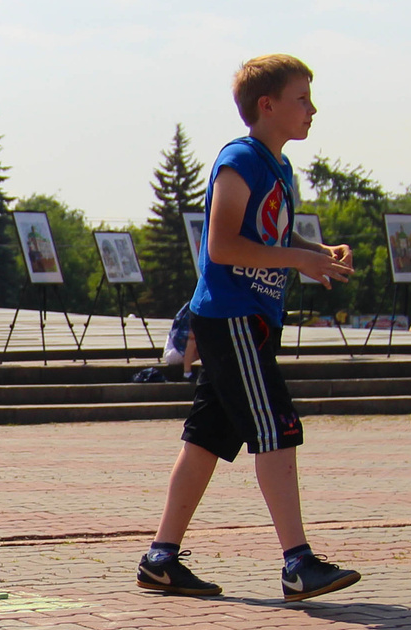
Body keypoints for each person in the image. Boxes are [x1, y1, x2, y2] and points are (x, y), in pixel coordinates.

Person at [136, 55, 360, 602]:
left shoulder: (277, 167)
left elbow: (270, 235)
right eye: (302, 98)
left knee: (206, 439)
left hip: (246, 320)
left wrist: (316, 252)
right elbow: (223, 246)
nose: (312, 109)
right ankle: (298, 564)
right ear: (268, 105)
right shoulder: (241, 160)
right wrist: (295, 260)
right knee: (277, 429)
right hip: (233, 318)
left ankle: (160, 559)